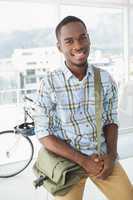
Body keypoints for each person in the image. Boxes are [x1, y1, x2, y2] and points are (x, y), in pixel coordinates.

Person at [34, 16, 133, 200]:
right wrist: (83, 161)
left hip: (102, 157)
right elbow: (43, 132)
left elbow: (111, 120)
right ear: (59, 47)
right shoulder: (48, 84)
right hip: (67, 162)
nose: (78, 46)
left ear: (89, 39)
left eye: (82, 37)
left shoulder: (105, 79)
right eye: (69, 41)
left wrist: (111, 156)